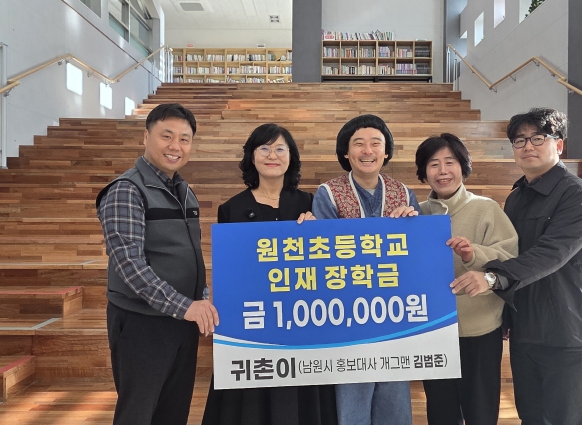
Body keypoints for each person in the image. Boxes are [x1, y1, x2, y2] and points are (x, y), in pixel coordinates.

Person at [450, 108, 582, 425]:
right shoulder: (517, 197)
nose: (527, 146)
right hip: (525, 326)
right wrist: (506, 315)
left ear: (558, 144)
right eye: (520, 140)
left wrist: (491, 278)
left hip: (566, 327)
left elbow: (551, 253)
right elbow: (511, 252)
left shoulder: (577, 194)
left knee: (566, 418)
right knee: (531, 415)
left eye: (538, 138)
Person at [202, 123, 338, 425]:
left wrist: (319, 233)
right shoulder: (231, 208)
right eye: (264, 148)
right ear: (252, 156)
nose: (272, 155)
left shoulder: (311, 204)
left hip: (303, 324)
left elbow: (333, 263)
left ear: (291, 157)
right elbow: (231, 272)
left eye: (280, 148)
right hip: (254, 325)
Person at [96, 103, 219, 425]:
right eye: (167, 136)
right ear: (145, 137)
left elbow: (188, 254)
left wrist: (202, 298)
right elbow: (130, 265)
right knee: (138, 413)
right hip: (142, 322)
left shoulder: (184, 191)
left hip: (181, 320)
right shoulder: (126, 190)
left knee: (173, 412)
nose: (175, 146)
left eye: (184, 139)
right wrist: (185, 306)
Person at [312, 114, 419, 425]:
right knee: (351, 400)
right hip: (348, 313)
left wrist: (411, 224)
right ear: (346, 152)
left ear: (386, 152)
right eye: (358, 143)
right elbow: (324, 255)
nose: (368, 150)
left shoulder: (403, 193)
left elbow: (415, 254)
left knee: (394, 399)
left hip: (394, 312)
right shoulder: (328, 192)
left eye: (376, 143)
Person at [414, 134, 518, 425]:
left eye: (450, 162)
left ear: (463, 166)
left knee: (480, 413)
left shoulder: (486, 208)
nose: (442, 171)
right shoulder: (416, 214)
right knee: (440, 412)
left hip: (479, 329)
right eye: (433, 164)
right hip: (432, 331)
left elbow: (510, 258)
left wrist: (474, 255)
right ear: (424, 172)